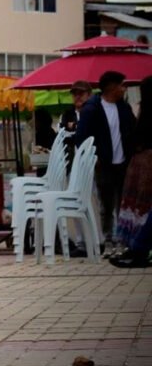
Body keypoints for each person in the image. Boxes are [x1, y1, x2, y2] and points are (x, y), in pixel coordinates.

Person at [76, 70, 136, 247]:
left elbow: (133, 131)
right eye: (121, 85)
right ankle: (108, 238)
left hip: (124, 163)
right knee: (106, 204)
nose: (124, 89)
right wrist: (94, 157)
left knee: (124, 204)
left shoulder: (124, 109)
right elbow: (81, 137)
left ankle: (124, 237)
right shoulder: (91, 109)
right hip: (104, 164)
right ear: (112, 87)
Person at [114, 75, 152, 250]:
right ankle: (140, 245)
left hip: (139, 163)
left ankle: (136, 243)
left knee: (139, 204)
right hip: (147, 164)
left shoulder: (142, 111)